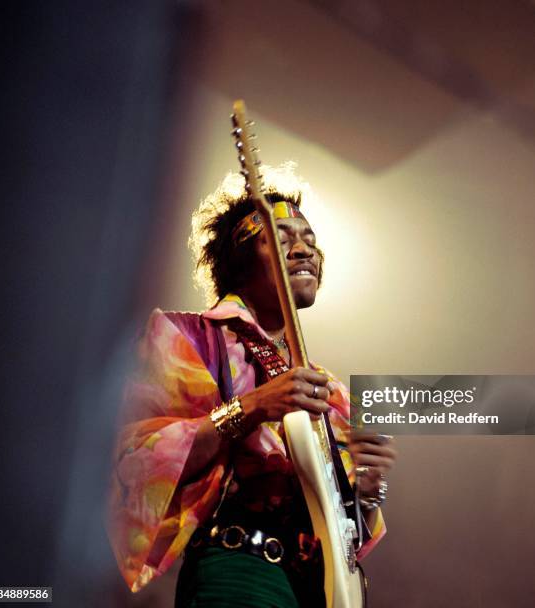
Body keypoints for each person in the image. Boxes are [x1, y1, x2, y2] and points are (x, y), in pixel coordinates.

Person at [108, 163, 397, 607]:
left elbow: (346, 539)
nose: (305, 252)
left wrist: (367, 491)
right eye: (281, 241)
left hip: (314, 592)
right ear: (240, 261)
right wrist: (250, 408)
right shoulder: (185, 338)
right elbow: (131, 460)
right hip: (238, 569)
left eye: (311, 243)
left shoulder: (332, 393)